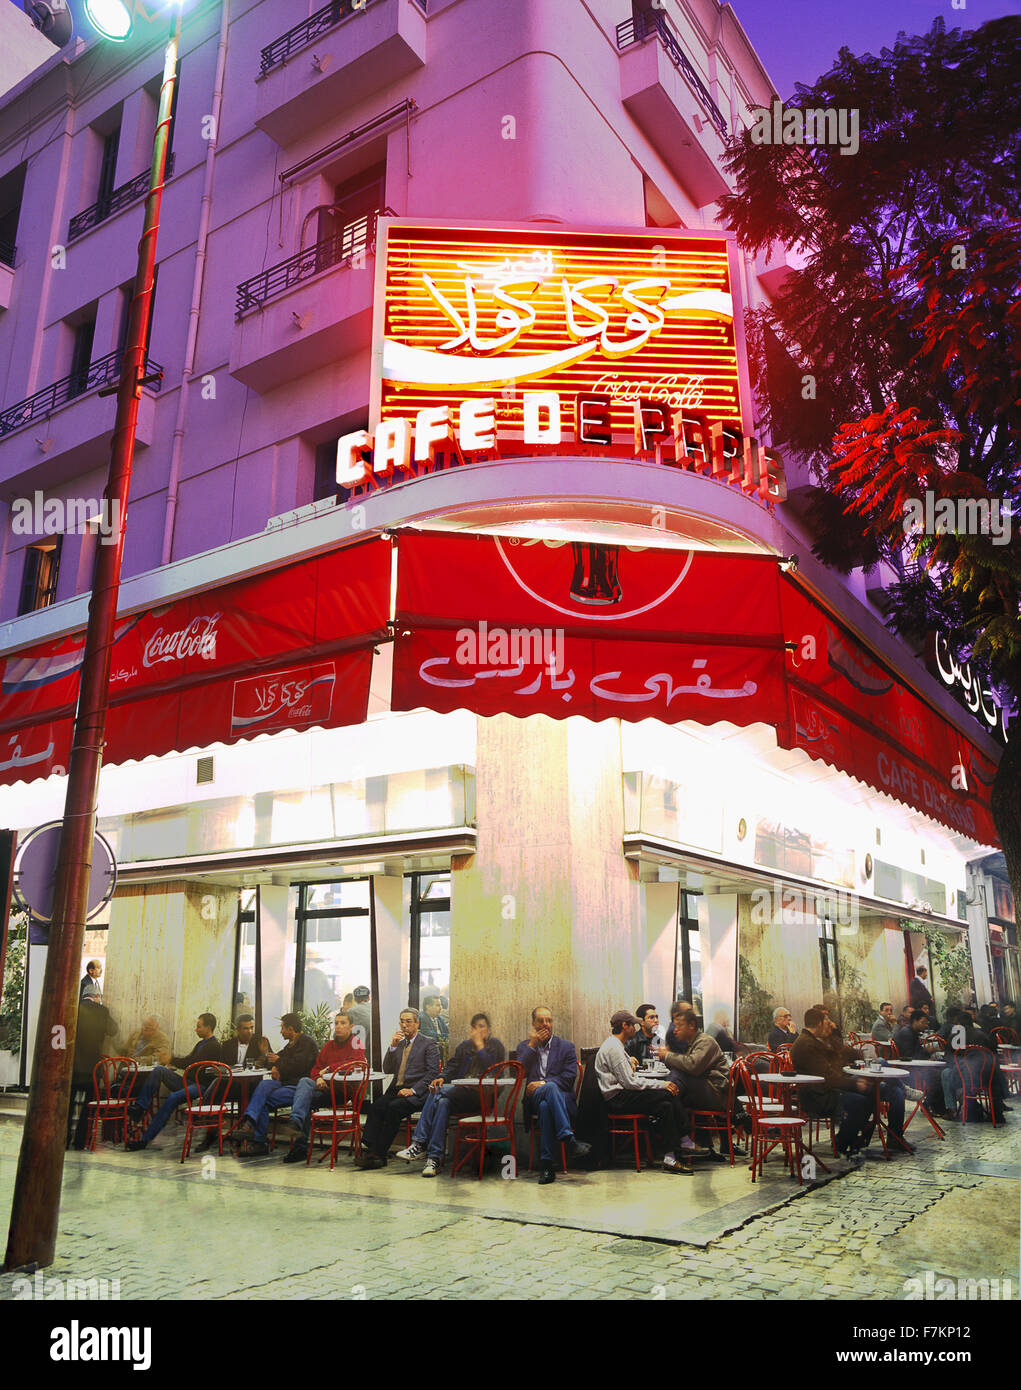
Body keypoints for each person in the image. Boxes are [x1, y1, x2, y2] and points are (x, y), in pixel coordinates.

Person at [397, 1012, 506, 1175]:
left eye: (482, 1027)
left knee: (439, 1093)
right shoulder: (465, 1046)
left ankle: (419, 1143)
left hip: (482, 1098)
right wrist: (441, 1077)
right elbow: (451, 1066)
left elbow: (494, 1070)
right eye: (475, 1027)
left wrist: (480, 1047)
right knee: (442, 1102)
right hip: (461, 1095)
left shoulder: (495, 1046)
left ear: (489, 1030)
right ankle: (434, 1159)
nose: (478, 1031)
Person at [595, 1010, 697, 1174]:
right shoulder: (613, 1048)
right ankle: (685, 1139)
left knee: (665, 1106)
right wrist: (661, 1084)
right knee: (668, 1092)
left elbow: (628, 1078)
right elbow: (630, 1082)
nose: (635, 1028)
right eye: (632, 1025)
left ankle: (670, 1157)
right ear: (624, 1026)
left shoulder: (615, 1045)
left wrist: (630, 1062)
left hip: (621, 1095)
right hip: (617, 1099)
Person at [354, 1008, 441, 1170]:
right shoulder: (400, 1044)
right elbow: (387, 1069)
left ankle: (378, 1154)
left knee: (393, 1109)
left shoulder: (428, 1044)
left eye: (408, 1021)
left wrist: (413, 1090)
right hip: (397, 1089)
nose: (404, 1025)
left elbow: (433, 1073)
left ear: (417, 1023)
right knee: (377, 1107)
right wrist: (392, 1047)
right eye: (402, 1021)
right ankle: (373, 1150)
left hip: (417, 1093)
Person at [790, 1007, 879, 1160]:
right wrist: (855, 1085)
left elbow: (837, 1062)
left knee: (873, 1092)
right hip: (817, 1097)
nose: (827, 1026)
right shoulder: (807, 1045)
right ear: (819, 1024)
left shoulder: (813, 1041)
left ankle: (856, 1139)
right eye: (825, 1023)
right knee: (861, 1101)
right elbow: (828, 1076)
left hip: (824, 1089)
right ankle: (842, 1142)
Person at [125, 1014, 223, 1149]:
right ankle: (140, 1107)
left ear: (208, 1027)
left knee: (172, 1098)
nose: (196, 1029)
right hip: (189, 1082)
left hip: (202, 1086)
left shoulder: (214, 1046)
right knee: (159, 1070)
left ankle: (145, 1139)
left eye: (199, 1026)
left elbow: (193, 1063)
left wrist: (171, 1059)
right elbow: (189, 1060)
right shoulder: (201, 1044)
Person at [517, 1005, 589, 1186]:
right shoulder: (525, 1047)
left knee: (546, 1104)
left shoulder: (566, 1047)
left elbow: (568, 1079)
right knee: (545, 1098)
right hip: (533, 1098)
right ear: (533, 1024)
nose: (545, 1024)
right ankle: (569, 1140)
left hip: (560, 1099)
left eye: (549, 1020)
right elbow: (517, 1073)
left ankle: (547, 1166)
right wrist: (532, 1046)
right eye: (541, 1021)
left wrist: (543, 1083)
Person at [282, 1011, 366, 1163]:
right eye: (336, 1023)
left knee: (303, 1098)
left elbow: (354, 1063)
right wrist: (319, 1078)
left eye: (343, 1023)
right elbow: (315, 1069)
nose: (338, 1027)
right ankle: (297, 1134)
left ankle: (297, 1131)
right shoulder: (329, 1045)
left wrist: (328, 1070)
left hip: (344, 1092)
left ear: (351, 1027)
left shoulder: (356, 1043)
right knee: (305, 1085)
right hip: (326, 1091)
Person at [230, 1013, 318, 1156]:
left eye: (283, 1028)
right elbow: (278, 1059)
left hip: (299, 1087)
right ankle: (249, 1124)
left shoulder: (307, 1043)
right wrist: (267, 1055)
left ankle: (258, 1139)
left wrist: (278, 1062)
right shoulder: (290, 1045)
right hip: (285, 1084)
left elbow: (298, 1067)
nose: (281, 1031)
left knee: (262, 1101)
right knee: (264, 1086)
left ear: (290, 1029)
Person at [658, 1007, 742, 1150]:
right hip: (706, 1092)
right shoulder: (691, 1042)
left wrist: (667, 1056)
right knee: (674, 1092)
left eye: (679, 1026)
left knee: (677, 1082)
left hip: (718, 1095)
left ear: (691, 1026)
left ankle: (681, 1140)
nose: (675, 1030)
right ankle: (686, 1141)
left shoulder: (705, 1041)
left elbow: (693, 1066)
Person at [67, 998, 118, 1149]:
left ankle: (64, 1139)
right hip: (92, 1068)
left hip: (73, 1067)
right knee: (89, 1106)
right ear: (95, 997)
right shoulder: (102, 1011)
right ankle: (81, 1141)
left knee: (68, 1105)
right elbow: (113, 1030)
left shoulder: (74, 1007)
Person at [347, 986, 372, 1060]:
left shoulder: (350, 1012)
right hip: (374, 1055)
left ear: (355, 999)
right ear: (368, 998)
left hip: (357, 1055)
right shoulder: (376, 1009)